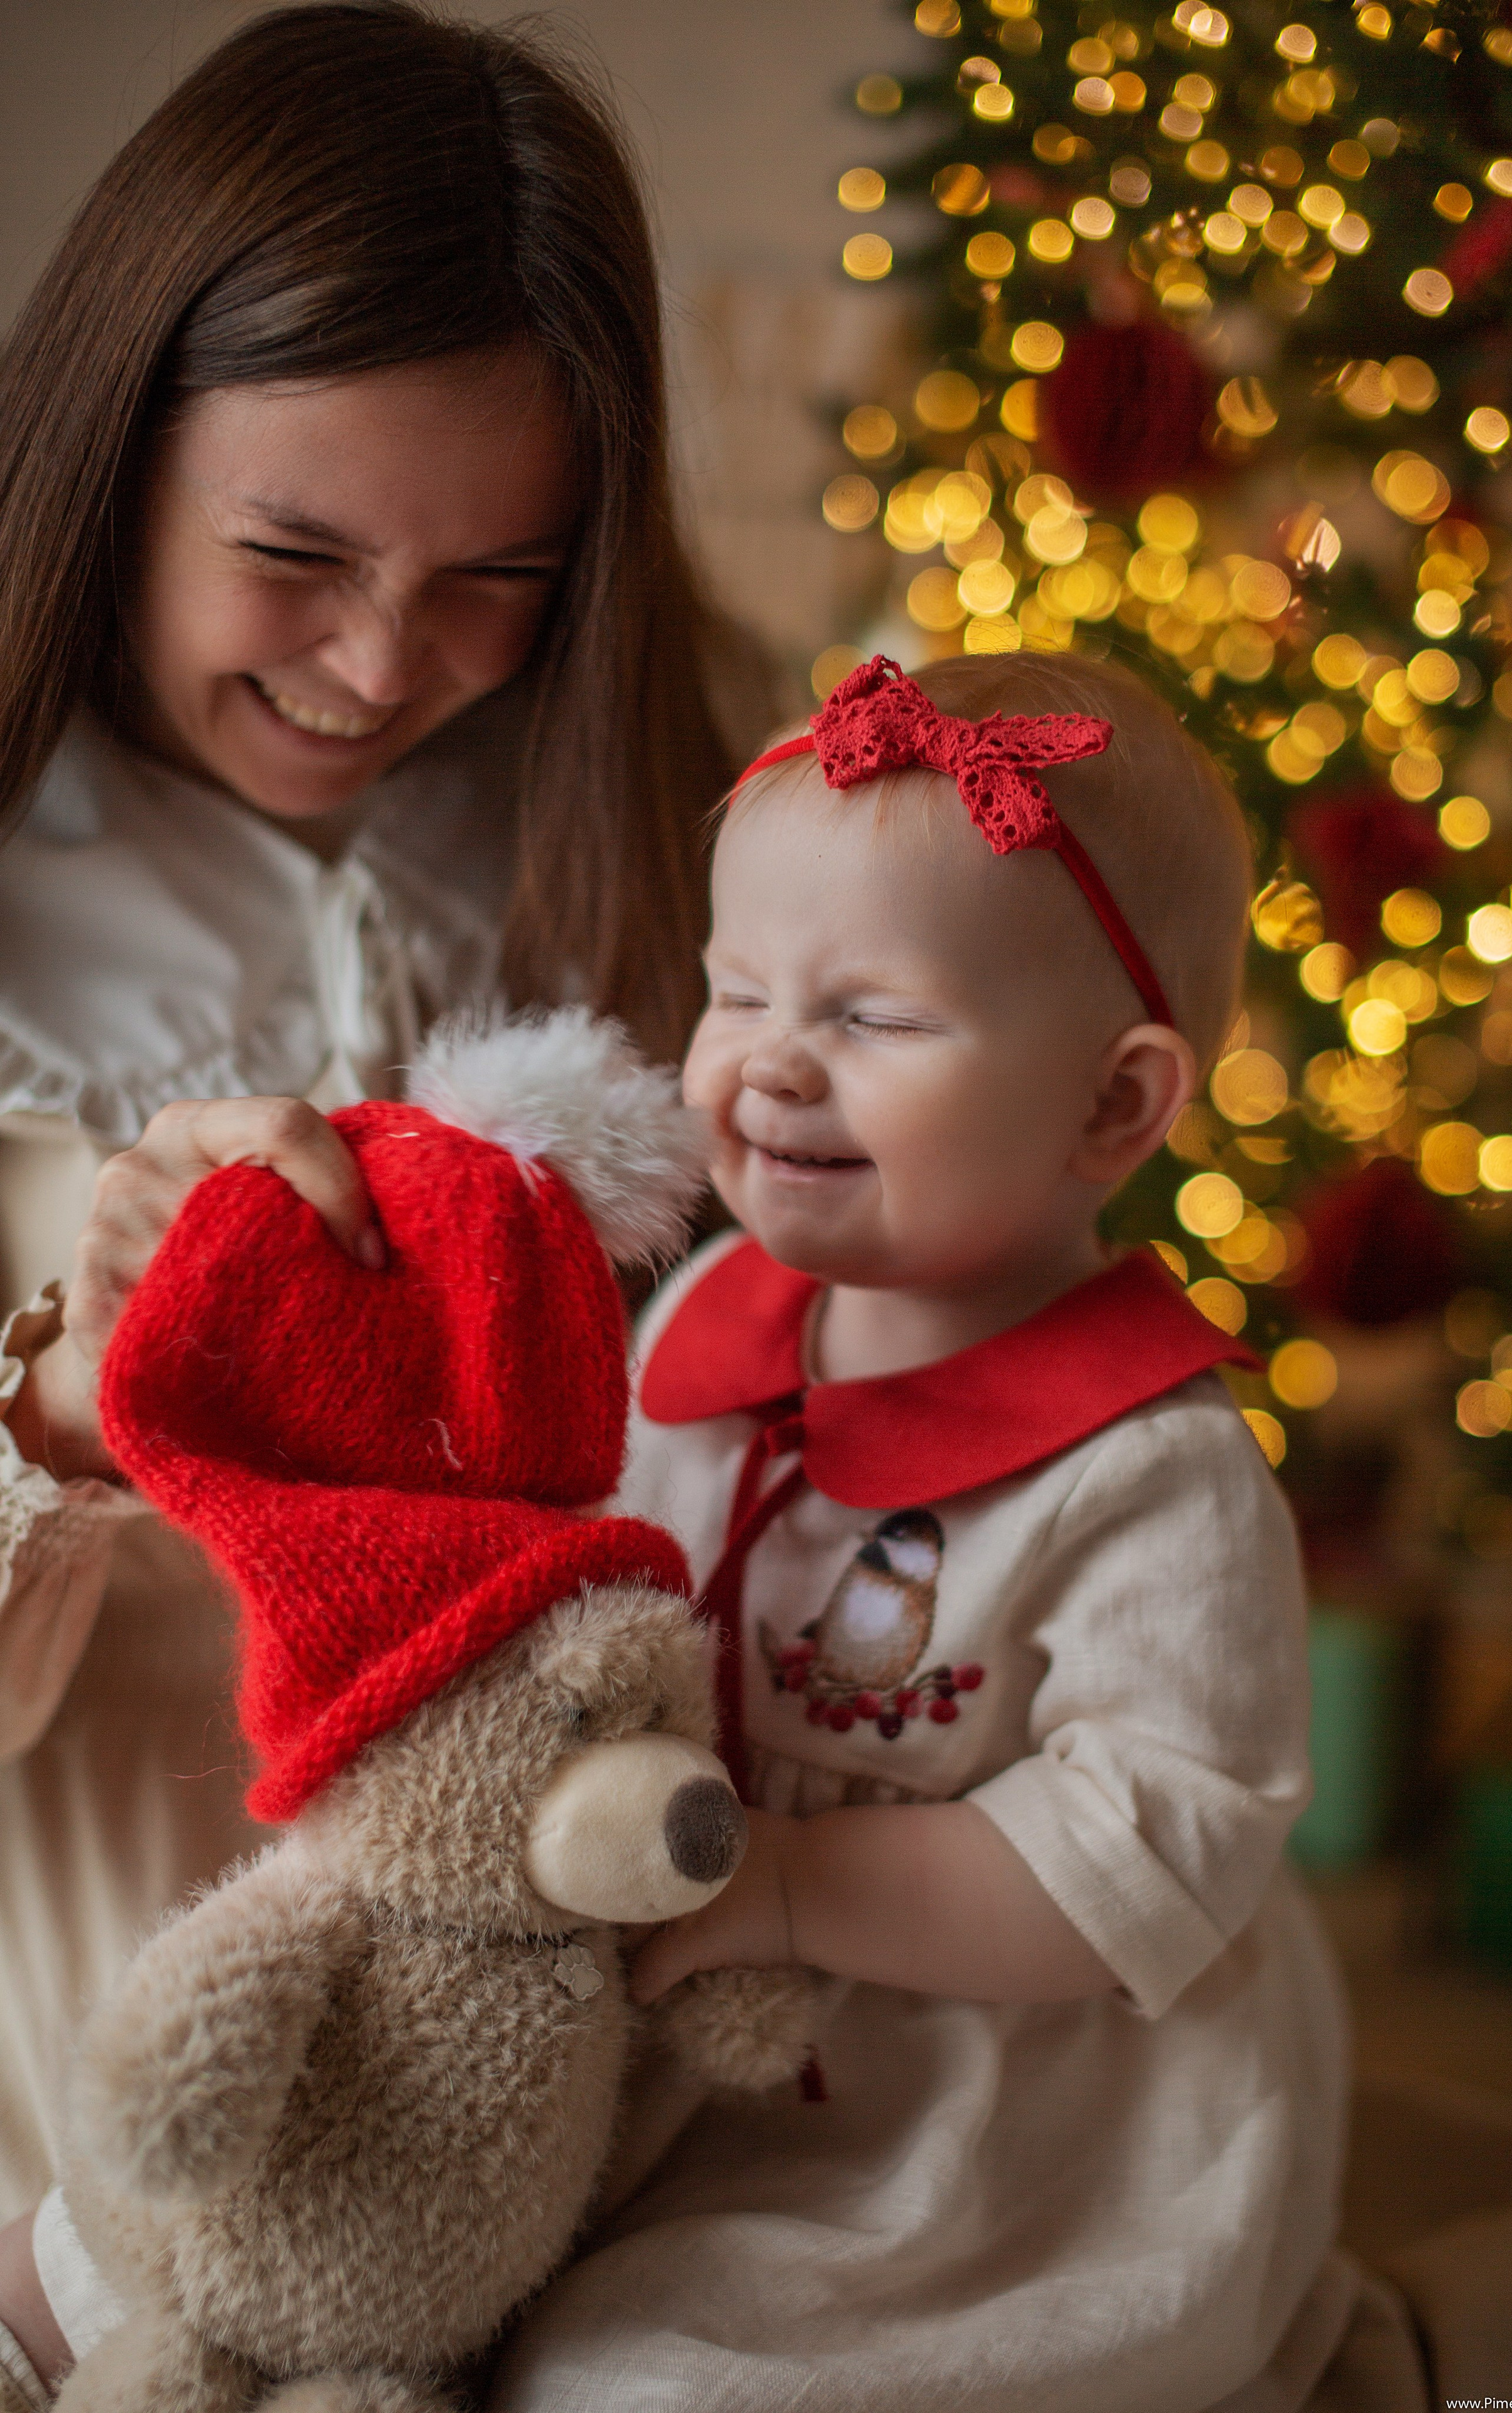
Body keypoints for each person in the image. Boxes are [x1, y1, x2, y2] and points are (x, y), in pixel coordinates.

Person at [0, 4, 769, 2395]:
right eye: (293, 556)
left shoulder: (641, 800)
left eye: (494, 578)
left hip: (548, 1950)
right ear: (110, 456)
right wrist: (63, 1382)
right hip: (112, 1940)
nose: (374, 666)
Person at [490, 652, 1353, 2412]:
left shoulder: (1148, 1475)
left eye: (873, 1018)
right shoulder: (708, 1319)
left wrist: (798, 1880)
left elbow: (1161, 1847)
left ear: (1115, 1105)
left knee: (648, 2382)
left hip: (988, 2126)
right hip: (680, 2010)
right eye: (740, 994)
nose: (771, 1068)